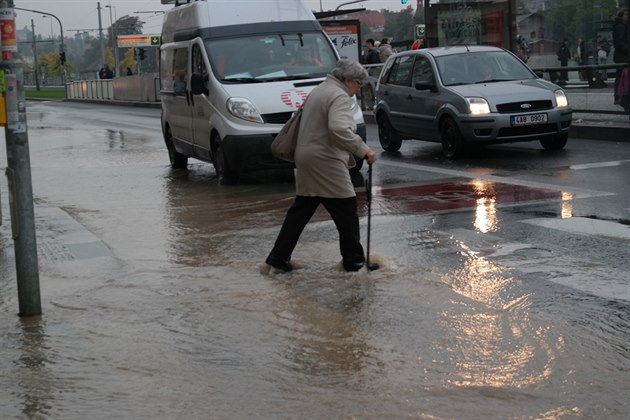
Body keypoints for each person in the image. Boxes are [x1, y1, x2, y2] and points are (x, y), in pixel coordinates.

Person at [265, 59, 379, 273]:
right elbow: (339, 129)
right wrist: (365, 150)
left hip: (306, 156)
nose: (355, 91)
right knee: (346, 209)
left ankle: (278, 257)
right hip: (326, 160)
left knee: (302, 209)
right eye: (357, 84)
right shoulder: (338, 95)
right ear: (347, 80)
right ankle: (353, 262)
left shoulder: (320, 90)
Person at [612, 8, 629, 104]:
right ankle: (620, 96)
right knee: (621, 76)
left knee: (620, 76)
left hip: (621, 55)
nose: (628, 17)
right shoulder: (621, 27)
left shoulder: (621, 26)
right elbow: (621, 42)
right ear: (621, 16)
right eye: (626, 15)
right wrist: (627, 49)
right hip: (622, 55)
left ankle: (619, 96)